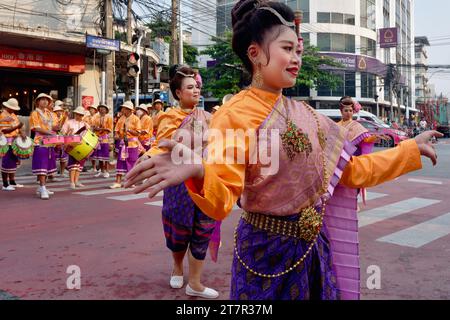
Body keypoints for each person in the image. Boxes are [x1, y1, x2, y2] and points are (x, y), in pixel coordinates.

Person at [125, 0, 441, 300]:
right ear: (255, 54)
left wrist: (409, 150)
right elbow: (222, 200)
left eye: (298, 51)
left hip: (314, 251)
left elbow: (352, 172)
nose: (296, 59)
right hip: (263, 254)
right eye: (287, 49)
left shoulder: (310, 116)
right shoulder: (233, 115)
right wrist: (198, 169)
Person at [137, 65, 219, 299]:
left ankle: (195, 282)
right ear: (178, 93)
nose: (196, 91)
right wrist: (149, 158)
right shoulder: (169, 117)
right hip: (179, 184)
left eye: (197, 87)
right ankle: (177, 266)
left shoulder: (209, 118)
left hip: (204, 180)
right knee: (179, 229)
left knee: (203, 228)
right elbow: (162, 146)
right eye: (190, 87)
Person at [30, 93, 60, 199]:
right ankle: (42, 187)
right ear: (37, 102)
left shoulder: (51, 113)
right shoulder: (35, 113)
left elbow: (55, 126)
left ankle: (42, 186)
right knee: (42, 165)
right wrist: (50, 132)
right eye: (42, 99)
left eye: (47, 100)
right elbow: (36, 128)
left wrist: (58, 125)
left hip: (50, 142)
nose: (45, 101)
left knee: (47, 165)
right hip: (40, 141)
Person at [110, 101, 141, 189]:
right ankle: (118, 181)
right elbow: (116, 130)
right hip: (123, 143)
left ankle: (131, 181)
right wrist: (116, 135)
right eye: (123, 108)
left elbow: (138, 133)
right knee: (120, 162)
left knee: (132, 162)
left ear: (130, 110)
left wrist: (130, 130)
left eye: (125, 108)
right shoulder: (121, 118)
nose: (123, 110)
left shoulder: (136, 119)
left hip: (132, 144)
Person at [0, 98, 26, 191]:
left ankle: (12, 181)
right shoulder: (3, 115)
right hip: (6, 141)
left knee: (13, 161)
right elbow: (4, 130)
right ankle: (5, 184)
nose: (14, 109)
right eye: (12, 108)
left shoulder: (13, 115)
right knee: (6, 162)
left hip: (14, 140)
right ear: (8, 107)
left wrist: (21, 133)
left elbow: (19, 127)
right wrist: (17, 127)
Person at [61, 107, 90, 189]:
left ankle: (76, 181)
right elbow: (63, 132)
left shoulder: (85, 124)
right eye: (78, 114)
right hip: (72, 145)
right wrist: (68, 134)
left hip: (82, 146)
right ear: (75, 114)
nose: (79, 116)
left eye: (81, 115)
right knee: (72, 164)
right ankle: (71, 182)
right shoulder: (69, 122)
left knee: (79, 165)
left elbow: (89, 133)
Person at [92, 104, 113, 178]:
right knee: (99, 156)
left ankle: (107, 171)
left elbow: (109, 129)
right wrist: (95, 128)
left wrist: (101, 129)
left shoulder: (109, 118)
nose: (101, 110)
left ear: (106, 110)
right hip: (97, 138)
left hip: (105, 139)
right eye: (100, 108)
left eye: (103, 109)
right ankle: (101, 170)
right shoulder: (96, 117)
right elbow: (93, 127)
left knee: (105, 156)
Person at [53, 102, 69, 178]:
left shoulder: (64, 118)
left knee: (63, 156)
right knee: (54, 157)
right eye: (57, 111)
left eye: (60, 110)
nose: (59, 112)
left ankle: (62, 172)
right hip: (54, 139)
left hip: (63, 138)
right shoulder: (52, 118)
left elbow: (66, 127)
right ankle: (53, 173)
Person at [83, 105, 99, 173]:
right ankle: (93, 167)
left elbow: (98, 126)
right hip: (88, 135)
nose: (90, 110)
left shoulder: (97, 117)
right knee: (89, 151)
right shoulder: (87, 117)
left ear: (95, 110)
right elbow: (83, 123)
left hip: (96, 136)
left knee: (95, 152)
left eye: (92, 109)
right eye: (90, 109)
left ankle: (96, 167)